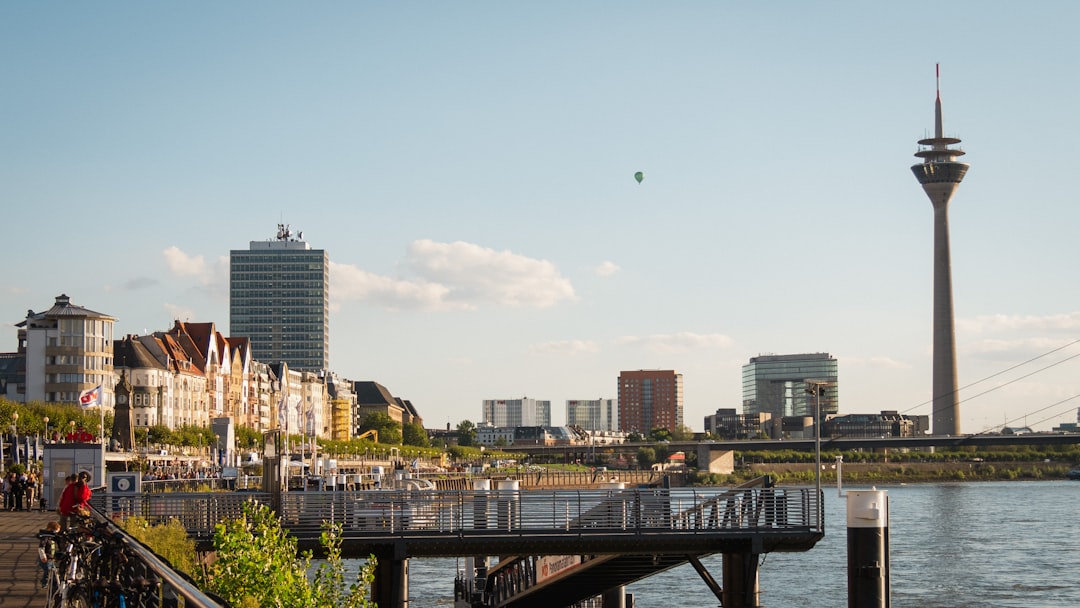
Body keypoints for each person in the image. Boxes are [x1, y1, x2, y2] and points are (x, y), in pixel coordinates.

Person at [37, 520, 61, 588]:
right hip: (46, 557)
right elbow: (41, 547)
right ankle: (45, 582)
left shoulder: (53, 537)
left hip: (51, 557)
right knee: (47, 570)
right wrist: (43, 556)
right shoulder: (46, 537)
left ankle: (53, 582)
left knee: (54, 570)